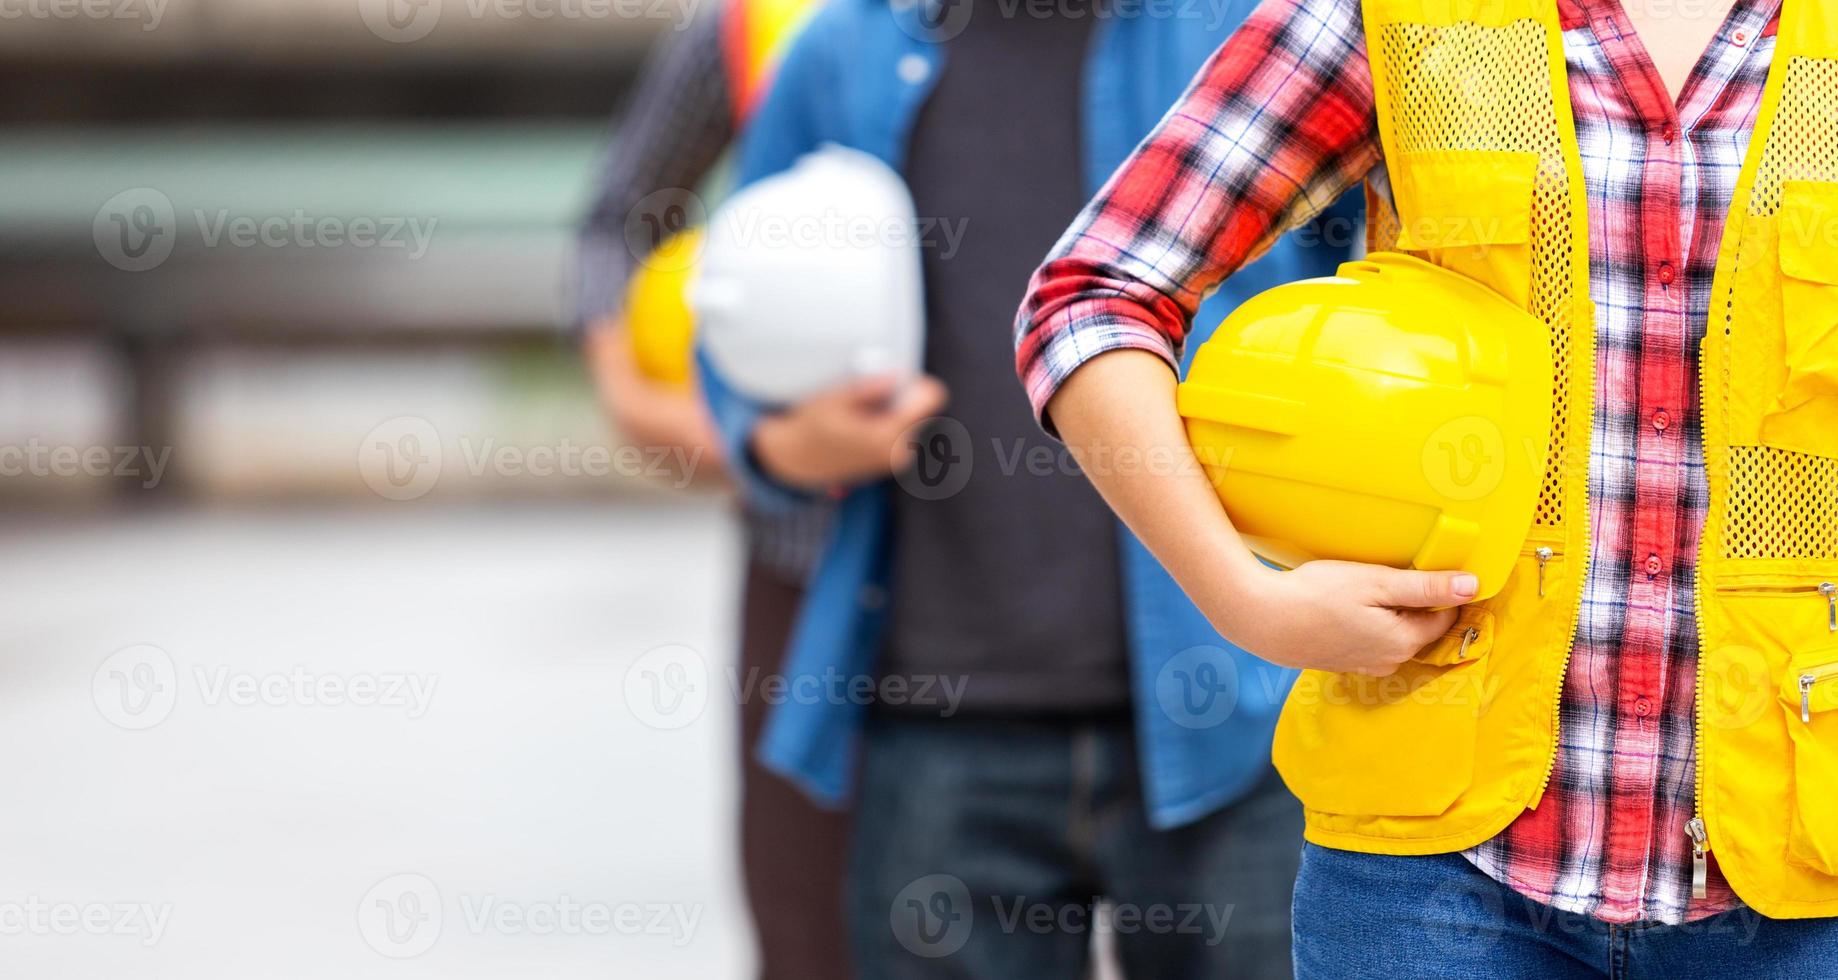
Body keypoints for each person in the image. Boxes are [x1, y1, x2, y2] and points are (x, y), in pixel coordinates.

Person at [1015, 0, 1838, 974]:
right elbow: (1093, 296)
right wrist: (1246, 602)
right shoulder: (1389, 16)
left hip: (1800, 871)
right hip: (1427, 885)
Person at [702, 0, 1361, 975]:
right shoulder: (846, 47)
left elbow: (1374, 282)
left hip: (1236, 711)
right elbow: (730, 322)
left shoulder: (1257, 28)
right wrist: (792, 441)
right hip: (937, 715)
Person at [571, 4, 851, 979]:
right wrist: (637, 397)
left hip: (1027, 564)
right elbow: (620, 217)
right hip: (804, 544)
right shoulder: (744, 27)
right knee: (803, 917)